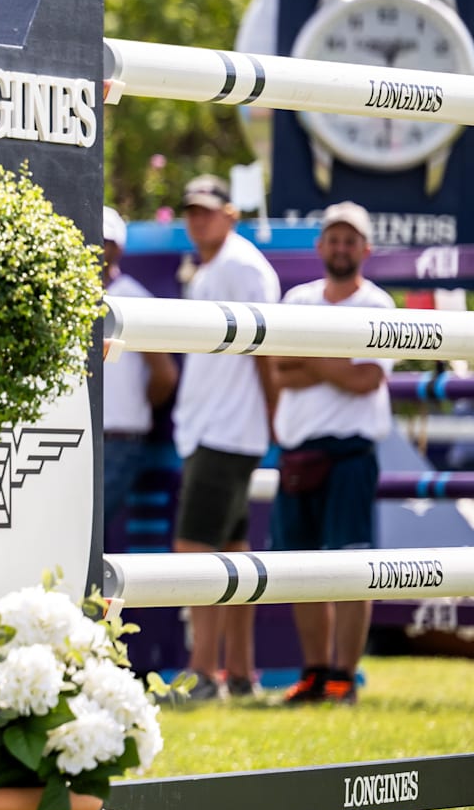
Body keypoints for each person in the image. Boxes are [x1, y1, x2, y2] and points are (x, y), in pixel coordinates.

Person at [268, 203, 392, 705]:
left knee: (352, 570)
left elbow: (367, 380)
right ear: (320, 247)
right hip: (299, 455)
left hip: (349, 456)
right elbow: (279, 368)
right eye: (333, 239)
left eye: (350, 240)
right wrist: (334, 362)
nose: (341, 248)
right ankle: (315, 672)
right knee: (300, 573)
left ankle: (345, 675)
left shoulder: (380, 306)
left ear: (365, 249)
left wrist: (309, 361)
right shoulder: (297, 300)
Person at [170, 175, 282, 700]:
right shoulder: (223, 264)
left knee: (195, 551)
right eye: (191, 211)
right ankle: (238, 674)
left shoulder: (237, 265)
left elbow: (267, 349)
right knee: (234, 555)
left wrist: (271, 413)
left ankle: (201, 676)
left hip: (224, 432)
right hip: (224, 430)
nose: (196, 219)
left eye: (206, 211)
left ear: (230, 215)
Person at [100, 207, 178, 528]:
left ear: (117, 248)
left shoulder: (132, 299)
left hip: (118, 441)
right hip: (84, 438)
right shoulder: (70, 296)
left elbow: (165, 374)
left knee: (84, 532)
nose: (94, 246)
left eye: (103, 240)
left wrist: (131, 410)